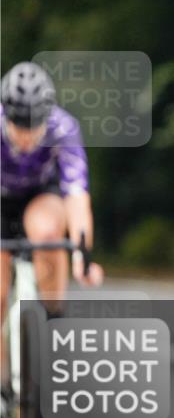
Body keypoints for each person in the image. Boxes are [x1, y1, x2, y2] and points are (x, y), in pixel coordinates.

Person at [1, 62, 104, 387]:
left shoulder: (63, 128)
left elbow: (76, 196)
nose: (28, 135)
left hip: (39, 197)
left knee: (47, 234)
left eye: (35, 126)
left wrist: (81, 257)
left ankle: (53, 317)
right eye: (20, 126)